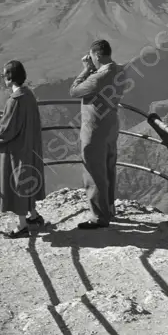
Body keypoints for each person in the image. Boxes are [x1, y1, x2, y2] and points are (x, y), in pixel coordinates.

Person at [0, 59, 46, 238]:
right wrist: (5, 115)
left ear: (10, 79)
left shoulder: (15, 101)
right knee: (27, 181)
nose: (3, 78)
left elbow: (4, 131)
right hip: (30, 147)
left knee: (17, 184)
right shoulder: (28, 95)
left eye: (4, 75)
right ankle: (33, 216)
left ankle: (22, 225)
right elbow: (20, 120)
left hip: (16, 153)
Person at [69, 38, 127, 229]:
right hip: (112, 124)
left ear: (97, 55)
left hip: (95, 129)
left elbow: (74, 91)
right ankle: (109, 208)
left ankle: (99, 217)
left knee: (94, 171)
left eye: (92, 57)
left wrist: (85, 69)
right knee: (109, 167)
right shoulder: (120, 70)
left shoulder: (97, 77)